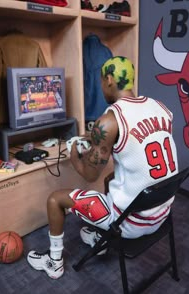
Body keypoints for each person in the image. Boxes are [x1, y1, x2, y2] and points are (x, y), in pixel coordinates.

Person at [27, 56, 178, 279]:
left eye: (100, 81)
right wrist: (96, 138)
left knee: (55, 199)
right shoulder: (161, 108)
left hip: (130, 224)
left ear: (108, 79)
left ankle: (54, 261)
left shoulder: (109, 121)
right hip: (161, 213)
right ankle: (102, 236)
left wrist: (75, 154)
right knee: (110, 180)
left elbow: (89, 175)